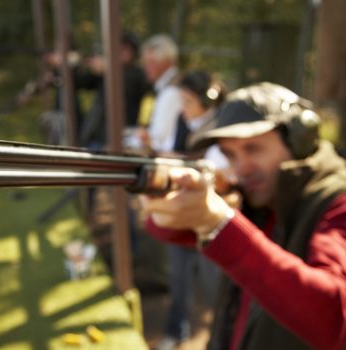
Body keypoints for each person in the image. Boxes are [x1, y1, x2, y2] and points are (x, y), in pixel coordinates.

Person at [140, 82, 346, 350]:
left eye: (253, 149)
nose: (241, 167)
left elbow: (333, 317)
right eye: (230, 154)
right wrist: (167, 199)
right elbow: (168, 230)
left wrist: (218, 222)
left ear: (299, 143)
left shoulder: (337, 201)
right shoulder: (258, 197)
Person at [156, 70, 228, 350]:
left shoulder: (222, 128)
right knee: (178, 277)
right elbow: (171, 150)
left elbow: (220, 172)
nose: (183, 108)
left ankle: (219, 339)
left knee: (215, 287)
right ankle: (177, 331)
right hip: (182, 213)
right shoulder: (182, 120)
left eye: (188, 101)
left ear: (206, 101)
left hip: (212, 219)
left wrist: (179, 163)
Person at [137, 34, 182, 153]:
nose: (146, 68)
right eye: (145, 63)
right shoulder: (167, 88)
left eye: (151, 62)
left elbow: (158, 136)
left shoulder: (171, 91)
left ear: (168, 62)